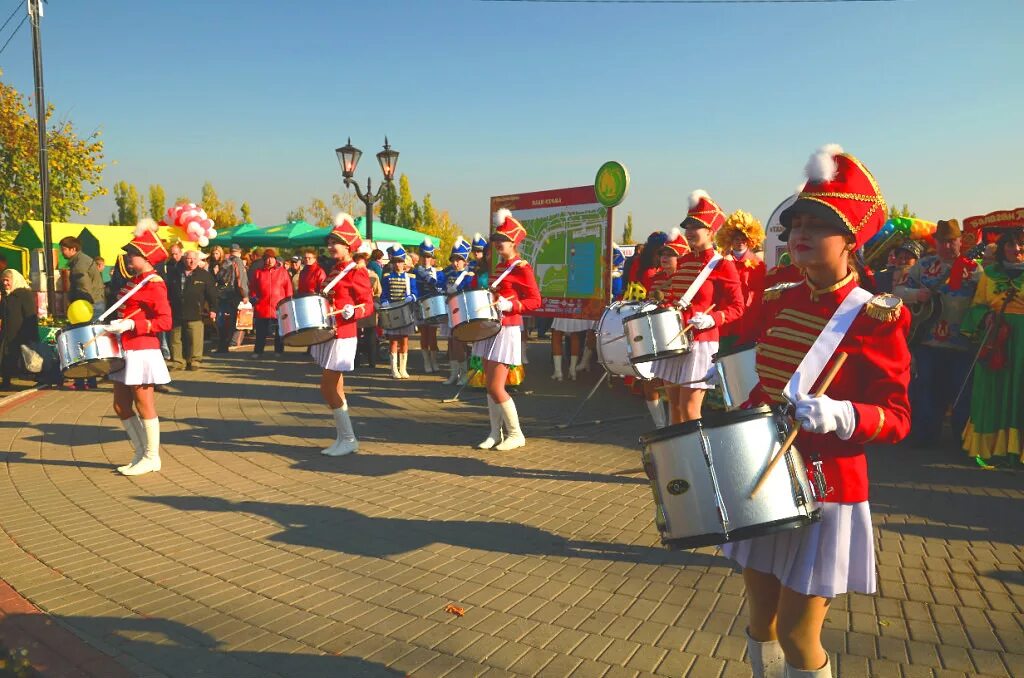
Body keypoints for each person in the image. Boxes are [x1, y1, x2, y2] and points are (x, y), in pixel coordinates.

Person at [722, 145, 911, 678]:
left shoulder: (877, 317)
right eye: (795, 222)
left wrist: (842, 415)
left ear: (851, 239)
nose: (799, 233)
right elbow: (765, 381)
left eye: (818, 225)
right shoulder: (781, 294)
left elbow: (898, 417)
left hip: (827, 487)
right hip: (768, 473)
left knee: (799, 632)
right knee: (761, 620)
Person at [652, 192, 744, 425]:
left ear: (711, 231)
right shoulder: (682, 262)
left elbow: (737, 307)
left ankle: (698, 459)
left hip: (702, 342)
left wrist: (712, 319)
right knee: (673, 405)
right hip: (675, 340)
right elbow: (674, 298)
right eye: (688, 226)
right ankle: (677, 459)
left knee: (689, 409)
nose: (690, 231)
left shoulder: (722, 264)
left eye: (697, 226)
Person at [893, 221, 979, 450]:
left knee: (961, 393)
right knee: (927, 390)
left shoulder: (973, 269)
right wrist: (915, 294)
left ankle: (962, 440)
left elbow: (984, 302)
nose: (947, 246)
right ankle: (924, 437)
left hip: (963, 344)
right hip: (928, 341)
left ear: (961, 241)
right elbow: (898, 291)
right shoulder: (924, 265)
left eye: (952, 241)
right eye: (942, 241)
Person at [106, 219, 174, 477]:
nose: (127, 257)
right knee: (121, 405)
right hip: (125, 349)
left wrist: (132, 325)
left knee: (144, 403)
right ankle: (139, 452)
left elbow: (165, 321)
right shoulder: (135, 280)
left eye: (131, 254)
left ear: (144, 256)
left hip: (143, 349)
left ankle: (152, 457)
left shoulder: (154, 283)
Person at [474, 210, 541, 451]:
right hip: (491, 327)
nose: (498, 243)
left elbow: (535, 300)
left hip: (508, 328)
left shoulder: (522, 268)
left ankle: (516, 433)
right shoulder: (499, 267)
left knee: (496, 386)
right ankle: (495, 433)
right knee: (488, 383)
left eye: (502, 239)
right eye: (496, 240)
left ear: (514, 242)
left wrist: (511, 304)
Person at [960, 228, 1024, 465]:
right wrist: (985, 315)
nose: (1016, 250)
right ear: (1002, 248)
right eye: (1010, 245)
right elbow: (976, 305)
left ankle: (1017, 451)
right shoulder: (989, 274)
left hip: (1023, 343)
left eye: (1020, 245)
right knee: (991, 391)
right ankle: (989, 448)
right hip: (997, 338)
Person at [311, 213, 374, 456]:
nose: (329, 246)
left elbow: (368, 305)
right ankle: (344, 438)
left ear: (348, 246)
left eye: (334, 242)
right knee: (335, 388)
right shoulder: (335, 269)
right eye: (328, 242)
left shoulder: (356, 271)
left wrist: (352, 311)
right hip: (330, 332)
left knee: (326, 387)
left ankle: (348, 439)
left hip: (343, 334)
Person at [641, 235, 690, 428]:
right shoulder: (656, 279)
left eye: (671, 255)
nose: (665, 258)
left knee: (679, 392)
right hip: (660, 338)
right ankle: (662, 426)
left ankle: (676, 428)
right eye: (663, 254)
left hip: (681, 338)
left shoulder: (687, 278)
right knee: (652, 381)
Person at [59, 236, 107, 390]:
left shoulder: (79, 265)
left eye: (64, 249)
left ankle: (82, 379)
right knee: (91, 342)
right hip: (95, 303)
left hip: (87, 306)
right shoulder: (82, 260)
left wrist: (75, 304)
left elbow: (83, 289)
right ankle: (90, 380)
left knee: (83, 341)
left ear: (73, 249)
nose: (62, 253)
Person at [715, 210, 766, 350]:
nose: (740, 242)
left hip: (747, 320)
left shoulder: (758, 264)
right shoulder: (721, 262)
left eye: (744, 238)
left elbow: (758, 294)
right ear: (730, 240)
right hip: (725, 319)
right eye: (736, 238)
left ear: (750, 239)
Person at [167, 250, 218, 371]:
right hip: (176, 312)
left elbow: (212, 294)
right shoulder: (174, 273)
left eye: (194, 259)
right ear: (184, 259)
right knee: (175, 339)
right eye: (188, 258)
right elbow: (167, 291)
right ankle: (178, 361)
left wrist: (213, 309)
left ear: (198, 260)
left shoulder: (204, 275)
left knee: (195, 338)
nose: (191, 261)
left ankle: (195, 360)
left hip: (195, 312)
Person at [438, 237, 477, 385]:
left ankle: (464, 374)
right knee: (451, 343)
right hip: (450, 311)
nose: (455, 263)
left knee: (459, 343)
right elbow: (441, 285)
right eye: (453, 259)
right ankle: (454, 374)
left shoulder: (469, 275)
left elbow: (469, 292)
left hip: (462, 312)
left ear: (465, 260)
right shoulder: (448, 273)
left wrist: (457, 289)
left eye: (458, 260)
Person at [380, 245, 419, 379]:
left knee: (404, 340)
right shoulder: (386, 276)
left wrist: (412, 297)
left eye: (400, 261)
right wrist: (384, 300)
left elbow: (415, 292)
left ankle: (403, 369)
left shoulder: (410, 277)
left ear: (404, 262)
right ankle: (393, 369)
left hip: (405, 311)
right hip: (392, 312)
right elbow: (384, 293)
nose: (398, 264)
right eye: (395, 261)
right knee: (393, 341)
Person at [251, 249, 293, 357]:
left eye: (272, 258)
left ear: (275, 259)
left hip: (279, 306)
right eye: (267, 258)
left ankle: (278, 351)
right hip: (262, 306)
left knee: (280, 331)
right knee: (260, 332)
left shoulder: (283, 272)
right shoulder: (258, 272)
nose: (269, 261)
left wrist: (288, 302)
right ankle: (258, 351)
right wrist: (254, 299)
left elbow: (288, 288)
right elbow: (253, 289)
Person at [0, 270, 37, 390]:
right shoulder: (6, 295)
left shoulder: (24, 294)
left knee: (26, 359)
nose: (5, 283)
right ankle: (6, 381)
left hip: (21, 333)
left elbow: (30, 315)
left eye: (7, 280)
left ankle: (35, 379)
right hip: (7, 333)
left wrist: (30, 335)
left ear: (14, 280)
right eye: (3, 280)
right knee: (6, 357)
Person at [413, 238, 442, 373]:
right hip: (421, 305)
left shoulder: (438, 272)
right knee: (424, 335)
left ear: (432, 258)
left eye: (428, 257)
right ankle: (426, 362)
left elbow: (441, 285)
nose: (426, 259)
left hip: (434, 306)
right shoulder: (416, 271)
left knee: (433, 336)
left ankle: (434, 360)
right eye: (424, 256)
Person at [213, 243, 249, 352]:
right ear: (239, 251)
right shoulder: (238, 262)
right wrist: (245, 294)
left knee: (222, 321)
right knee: (232, 321)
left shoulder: (225, 261)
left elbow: (218, 277)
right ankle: (226, 345)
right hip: (233, 295)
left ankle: (221, 345)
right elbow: (240, 280)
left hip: (221, 295)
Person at [353, 250, 382, 368]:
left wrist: (375, 302)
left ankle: (372, 361)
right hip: (355, 308)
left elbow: (377, 292)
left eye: (362, 263)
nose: (360, 265)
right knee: (355, 336)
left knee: (370, 336)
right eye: (358, 263)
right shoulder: (351, 274)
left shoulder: (372, 275)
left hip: (368, 308)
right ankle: (356, 361)